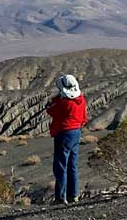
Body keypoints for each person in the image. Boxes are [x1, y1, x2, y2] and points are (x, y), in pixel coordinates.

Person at [46, 74, 88, 205]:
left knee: (60, 166)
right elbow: (84, 118)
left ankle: (60, 197)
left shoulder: (63, 103)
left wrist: (54, 100)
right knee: (72, 165)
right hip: (76, 133)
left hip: (63, 134)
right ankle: (73, 195)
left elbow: (50, 111)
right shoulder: (81, 99)